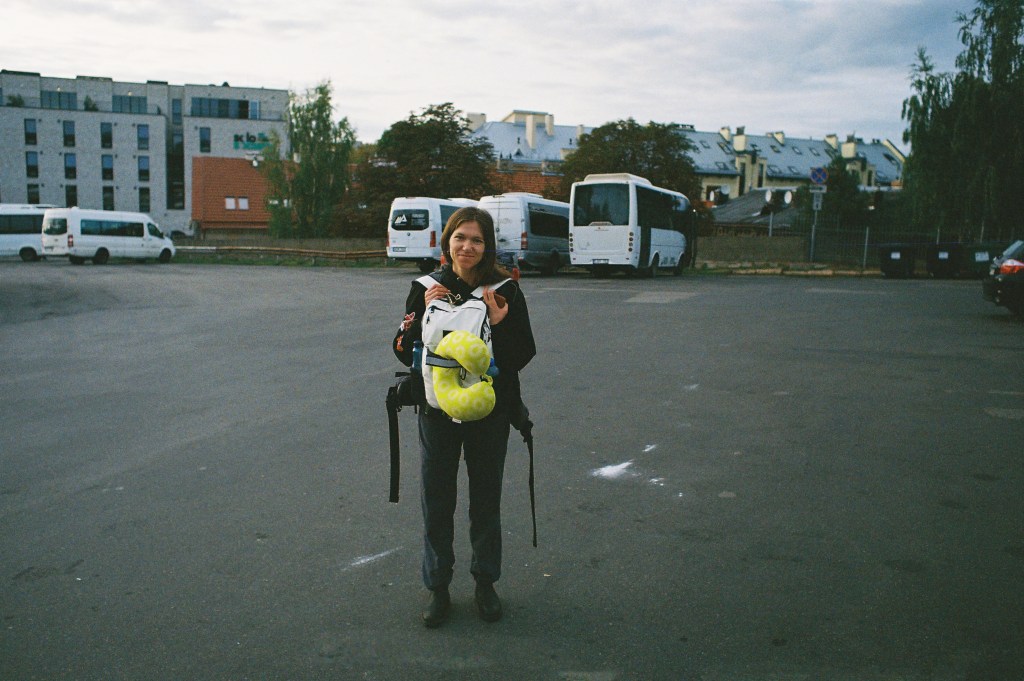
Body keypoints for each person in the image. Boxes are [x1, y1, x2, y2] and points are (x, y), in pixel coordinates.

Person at [392, 206, 536, 628]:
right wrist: (422, 322)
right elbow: (403, 348)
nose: (467, 247)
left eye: (476, 240)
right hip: (437, 412)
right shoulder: (426, 287)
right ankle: (437, 587)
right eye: (460, 238)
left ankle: (485, 583)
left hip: (488, 413)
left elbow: (520, 355)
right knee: (437, 501)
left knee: (485, 500)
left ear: (487, 245)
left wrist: (499, 322)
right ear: (447, 242)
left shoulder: (504, 290)